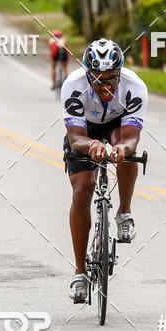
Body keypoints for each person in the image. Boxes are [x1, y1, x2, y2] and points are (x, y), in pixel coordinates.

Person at [61, 38, 148, 303]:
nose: (105, 86)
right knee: (82, 189)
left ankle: (124, 212)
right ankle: (80, 272)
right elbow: (76, 138)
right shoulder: (73, 86)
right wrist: (92, 145)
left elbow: (131, 138)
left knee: (126, 152)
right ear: (88, 74)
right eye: (97, 80)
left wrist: (121, 149)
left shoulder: (134, 87)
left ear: (119, 73)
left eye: (111, 79)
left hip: (117, 124)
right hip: (85, 129)